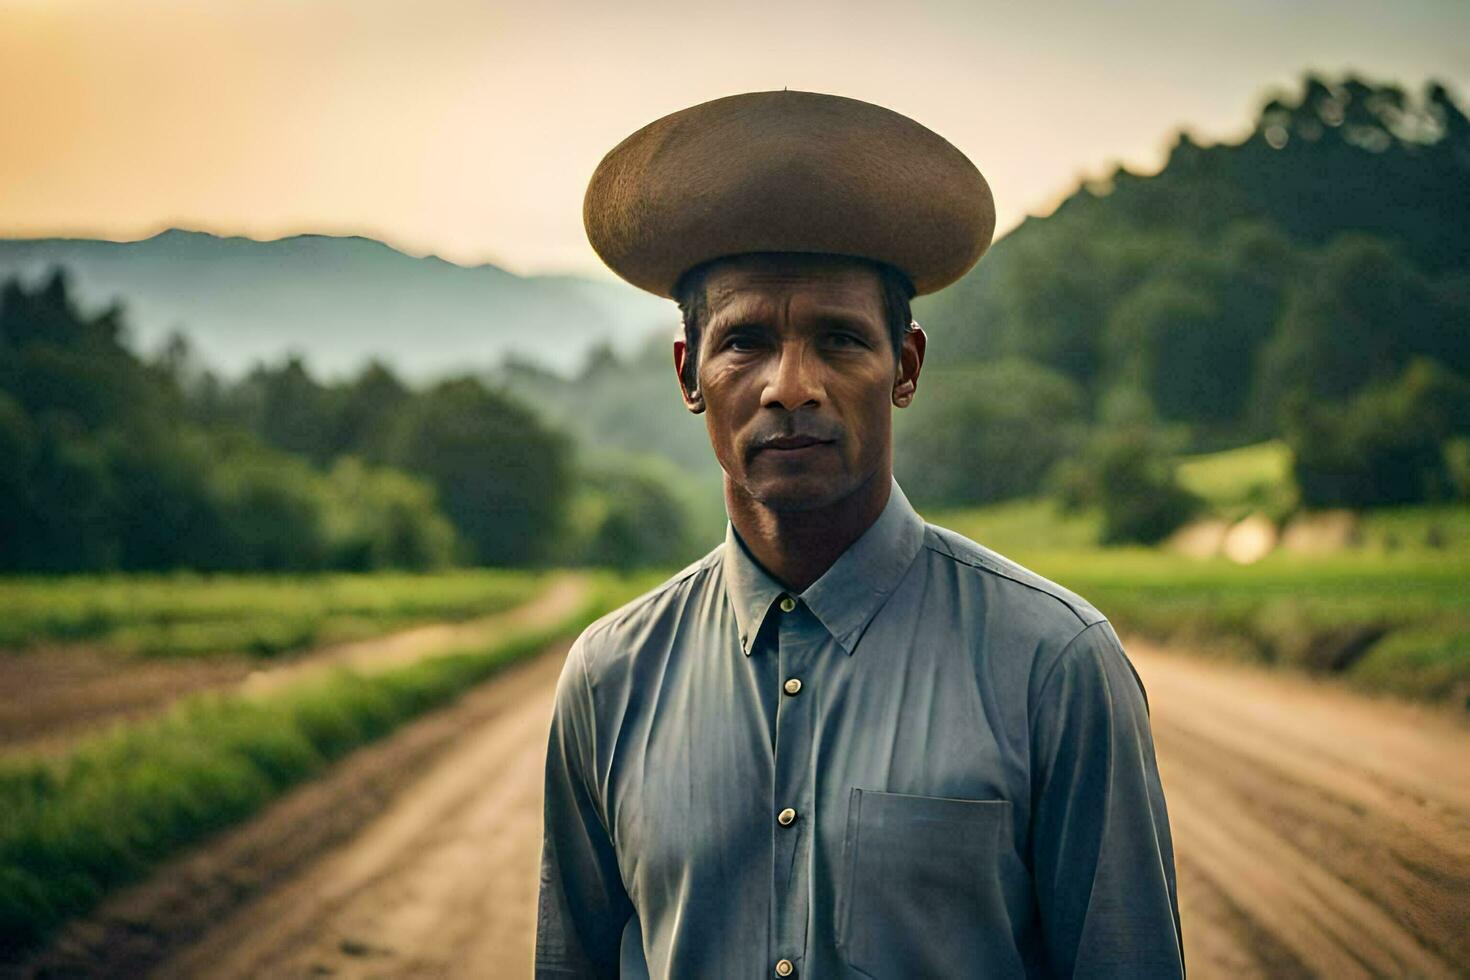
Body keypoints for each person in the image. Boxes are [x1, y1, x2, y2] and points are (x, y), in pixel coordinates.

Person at [536, 90, 1184, 979]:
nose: (790, 386)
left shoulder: (1054, 664)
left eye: (839, 340)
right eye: (746, 342)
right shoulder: (608, 679)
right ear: (690, 373)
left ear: (905, 367)